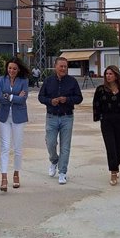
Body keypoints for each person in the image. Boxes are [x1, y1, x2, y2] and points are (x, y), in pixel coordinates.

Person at [38, 56, 83, 185]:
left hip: (67, 117)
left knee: (65, 146)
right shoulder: (48, 81)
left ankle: (62, 172)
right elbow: (41, 97)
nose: (63, 68)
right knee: (50, 143)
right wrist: (50, 101)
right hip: (51, 116)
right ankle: (54, 160)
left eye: (65, 66)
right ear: (55, 66)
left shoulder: (72, 81)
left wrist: (67, 100)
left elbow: (79, 98)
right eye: (61, 66)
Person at [92, 65, 120, 186]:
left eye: (110, 74)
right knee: (111, 147)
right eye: (107, 74)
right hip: (106, 121)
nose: (108, 76)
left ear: (116, 75)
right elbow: (96, 104)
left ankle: (116, 165)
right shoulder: (100, 89)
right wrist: (98, 117)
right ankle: (113, 172)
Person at [0, 57, 29, 192]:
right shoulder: (1, 80)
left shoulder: (24, 81)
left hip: (19, 117)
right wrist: (15, 97)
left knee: (17, 148)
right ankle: (4, 177)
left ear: (18, 69)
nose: (12, 70)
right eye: (10, 68)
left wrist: (8, 96)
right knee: (5, 147)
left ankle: (16, 174)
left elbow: (23, 99)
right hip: (4, 117)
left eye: (14, 68)